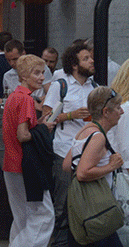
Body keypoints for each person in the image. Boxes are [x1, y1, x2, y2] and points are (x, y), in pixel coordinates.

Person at [42, 42, 97, 247]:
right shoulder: (61, 85)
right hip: (64, 150)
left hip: (89, 153)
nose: (91, 61)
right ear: (74, 64)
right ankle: (56, 243)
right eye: (85, 59)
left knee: (86, 203)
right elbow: (47, 117)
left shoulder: (95, 86)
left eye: (90, 58)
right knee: (63, 203)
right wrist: (71, 115)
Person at [2, 54, 55, 247]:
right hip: (26, 164)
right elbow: (23, 135)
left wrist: (39, 124)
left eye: (43, 73)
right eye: (37, 72)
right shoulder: (26, 100)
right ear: (24, 75)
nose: (42, 77)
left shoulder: (14, 97)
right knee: (44, 215)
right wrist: (43, 129)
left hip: (11, 163)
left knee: (22, 218)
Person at [62, 86, 124, 247]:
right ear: (106, 112)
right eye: (117, 108)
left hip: (82, 208)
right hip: (96, 210)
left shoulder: (85, 130)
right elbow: (82, 173)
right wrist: (111, 166)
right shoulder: (98, 137)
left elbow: (67, 164)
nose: (121, 112)